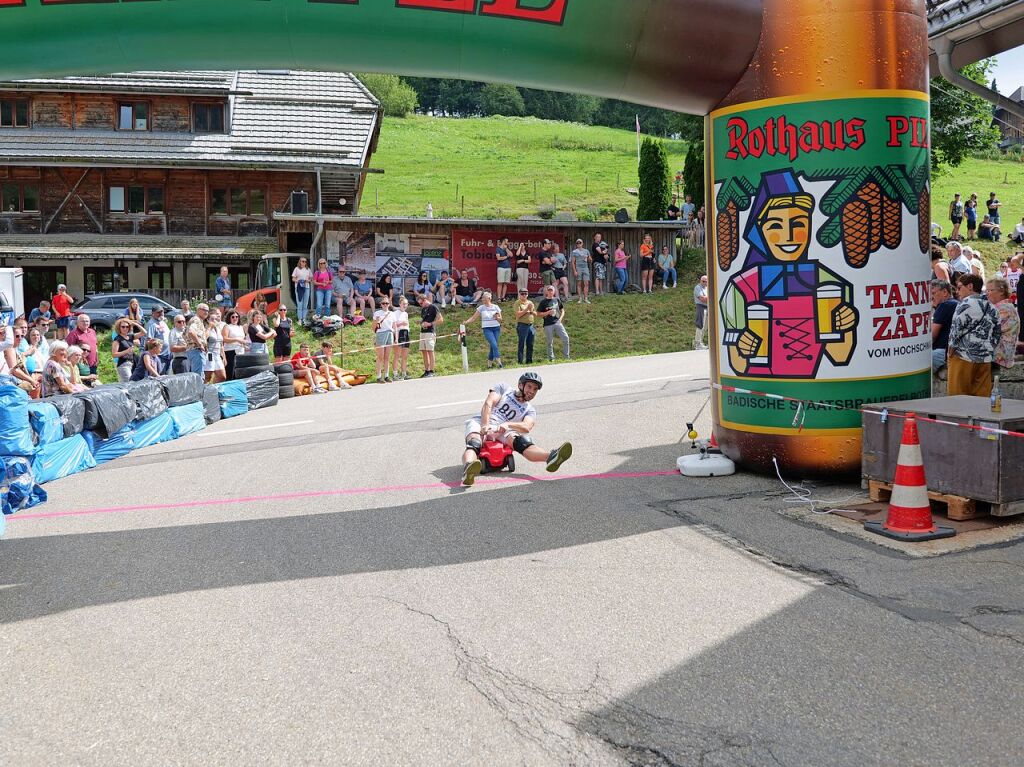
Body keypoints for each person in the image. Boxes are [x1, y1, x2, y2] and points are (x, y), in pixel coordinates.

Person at [459, 372, 573, 487]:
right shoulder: (504, 388)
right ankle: (469, 467)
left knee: (522, 442)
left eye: (535, 389)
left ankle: (551, 457)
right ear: (520, 385)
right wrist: (484, 425)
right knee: (475, 442)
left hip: (503, 429)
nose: (532, 392)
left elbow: (527, 426)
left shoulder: (529, 410)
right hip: (482, 421)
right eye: (529, 386)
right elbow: (489, 403)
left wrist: (508, 424)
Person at [947, 273, 1000, 397]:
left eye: (959, 287)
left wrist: (951, 348)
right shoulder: (992, 307)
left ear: (970, 286)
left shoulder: (965, 304)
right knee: (982, 397)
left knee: (957, 396)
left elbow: (956, 327)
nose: (957, 291)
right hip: (985, 358)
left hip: (963, 355)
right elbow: (997, 333)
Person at [986, 276, 1019, 372]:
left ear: (1001, 291)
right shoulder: (1003, 306)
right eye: (986, 290)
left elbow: (986, 328)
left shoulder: (1004, 308)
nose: (987, 294)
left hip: (1000, 354)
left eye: (990, 290)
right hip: (999, 351)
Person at [465, 291, 503, 369]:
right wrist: (466, 322)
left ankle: (489, 364)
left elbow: (500, 319)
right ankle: (499, 363)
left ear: (489, 298)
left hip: (496, 328)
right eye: (482, 298)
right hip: (487, 329)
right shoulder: (481, 308)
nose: (483, 300)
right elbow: (473, 318)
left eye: (484, 298)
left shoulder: (496, 307)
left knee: (493, 346)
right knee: (494, 344)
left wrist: (497, 317)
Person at [930, 279, 957, 373]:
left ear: (945, 292)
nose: (931, 297)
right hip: (949, 351)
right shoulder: (954, 303)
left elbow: (932, 336)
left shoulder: (945, 305)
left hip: (941, 351)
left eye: (933, 293)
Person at [537, 284, 569, 361]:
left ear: (554, 291)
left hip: (557, 322)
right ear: (546, 292)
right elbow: (538, 314)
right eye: (549, 290)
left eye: (552, 290)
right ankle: (551, 358)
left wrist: (560, 319)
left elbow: (562, 310)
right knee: (549, 342)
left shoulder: (557, 299)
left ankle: (566, 357)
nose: (550, 291)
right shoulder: (543, 302)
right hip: (548, 324)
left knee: (566, 338)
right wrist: (547, 313)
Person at [112, 317, 144, 383]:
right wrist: (126, 351)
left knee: (130, 384)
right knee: (128, 384)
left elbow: (144, 332)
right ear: (119, 328)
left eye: (127, 327)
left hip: (132, 363)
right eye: (123, 327)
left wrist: (135, 324)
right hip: (123, 364)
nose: (125, 328)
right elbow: (114, 354)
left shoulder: (130, 336)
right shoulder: (117, 339)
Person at [418, 293, 442, 378]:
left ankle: (432, 371)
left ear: (425, 300)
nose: (421, 305)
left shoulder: (433, 307)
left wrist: (430, 324)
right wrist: (421, 322)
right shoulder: (423, 309)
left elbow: (441, 319)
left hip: (430, 332)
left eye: (421, 303)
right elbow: (424, 319)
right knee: (424, 351)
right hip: (423, 332)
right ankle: (427, 370)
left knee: (430, 351)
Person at [373, 297, 395, 383]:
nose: (385, 305)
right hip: (381, 333)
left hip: (390, 333)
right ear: (381, 304)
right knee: (380, 357)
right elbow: (373, 327)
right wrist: (377, 322)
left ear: (389, 304)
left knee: (387, 357)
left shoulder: (392, 314)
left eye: (387, 303)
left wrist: (395, 336)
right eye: (383, 303)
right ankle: (378, 377)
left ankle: (386, 375)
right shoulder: (377, 313)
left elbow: (394, 326)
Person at [221, 309, 247, 379]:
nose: (235, 318)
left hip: (240, 351)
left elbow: (242, 339)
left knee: (239, 372)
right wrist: (237, 340)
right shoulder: (227, 326)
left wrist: (244, 344)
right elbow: (224, 339)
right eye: (233, 317)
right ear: (229, 318)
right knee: (230, 373)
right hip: (230, 351)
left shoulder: (240, 327)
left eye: (236, 316)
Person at [184, 303, 209, 375]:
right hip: (196, 350)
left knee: (197, 375)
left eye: (207, 310)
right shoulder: (196, 320)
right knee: (199, 376)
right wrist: (200, 344)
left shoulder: (198, 320)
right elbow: (191, 332)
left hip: (193, 350)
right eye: (204, 310)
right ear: (198, 310)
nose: (206, 312)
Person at [203, 308, 227, 383]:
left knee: (222, 376)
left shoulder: (218, 329)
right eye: (212, 319)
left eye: (216, 319)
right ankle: (204, 390)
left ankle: (214, 389)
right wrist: (210, 327)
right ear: (208, 320)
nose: (214, 321)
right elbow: (204, 338)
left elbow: (221, 344)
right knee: (207, 376)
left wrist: (223, 356)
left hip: (217, 354)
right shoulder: (206, 328)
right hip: (209, 354)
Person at [145, 306, 171, 374]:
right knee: (160, 376)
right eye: (158, 312)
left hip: (167, 354)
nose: (161, 313)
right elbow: (149, 341)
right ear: (153, 313)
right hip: (159, 356)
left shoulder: (162, 322)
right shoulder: (151, 324)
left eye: (162, 311)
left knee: (167, 377)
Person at [514, 288, 536, 365]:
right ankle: (520, 361)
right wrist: (527, 309)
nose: (524, 295)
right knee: (521, 344)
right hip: (522, 325)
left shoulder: (530, 302)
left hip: (531, 325)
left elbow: (535, 313)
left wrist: (532, 311)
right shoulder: (517, 303)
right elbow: (518, 314)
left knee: (530, 344)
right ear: (519, 294)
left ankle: (529, 361)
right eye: (522, 294)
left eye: (525, 293)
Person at [392, 295, 411, 381]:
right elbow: (394, 326)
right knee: (397, 355)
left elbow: (407, 325)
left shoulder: (406, 314)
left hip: (406, 334)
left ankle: (404, 373)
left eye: (406, 304)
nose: (405, 305)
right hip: (399, 334)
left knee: (405, 356)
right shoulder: (395, 313)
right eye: (403, 304)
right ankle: (395, 374)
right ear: (400, 304)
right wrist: (395, 338)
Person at [570, 238, 591, 304]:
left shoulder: (586, 251)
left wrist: (588, 257)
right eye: (577, 243)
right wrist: (575, 271)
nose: (579, 244)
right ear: (576, 244)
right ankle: (580, 298)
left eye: (580, 243)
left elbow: (590, 260)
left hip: (585, 268)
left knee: (586, 283)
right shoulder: (574, 252)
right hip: (578, 268)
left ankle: (586, 298)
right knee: (579, 283)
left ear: (582, 243)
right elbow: (573, 262)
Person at [292, 257, 312, 323]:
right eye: (302, 261)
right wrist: (298, 281)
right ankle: (300, 319)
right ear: (299, 262)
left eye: (305, 261)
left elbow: (311, 279)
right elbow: (293, 279)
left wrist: (307, 280)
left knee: (305, 304)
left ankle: (304, 319)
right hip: (298, 288)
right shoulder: (296, 269)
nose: (304, 263)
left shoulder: (308, 269)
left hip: (306, 288)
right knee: (300, 303)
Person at [495, 237, 512, 302]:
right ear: (503, 241)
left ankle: (503, 297)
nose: (508, 242)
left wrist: (506, 248)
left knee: (506, 283)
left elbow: (511, 255)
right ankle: (499, 297)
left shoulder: (507, 249)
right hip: (501, 267)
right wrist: (506, 256)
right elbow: (498, 258)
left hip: (508, 267)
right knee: (500, 282)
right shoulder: (498, 249)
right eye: (507, 241)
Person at [694, 274, 709, 349]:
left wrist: (707, 298)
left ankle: (701, 342)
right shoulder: (698, 287)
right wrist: (709, 297)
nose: (704, 283)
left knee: (706, 326)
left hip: (708, 307)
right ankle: (697, 343)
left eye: (706, 281)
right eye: (703, 281)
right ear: (700, 281)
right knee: (700, 325)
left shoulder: (707, 288)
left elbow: (706, 298)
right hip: (701, 306)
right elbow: (702, 299)